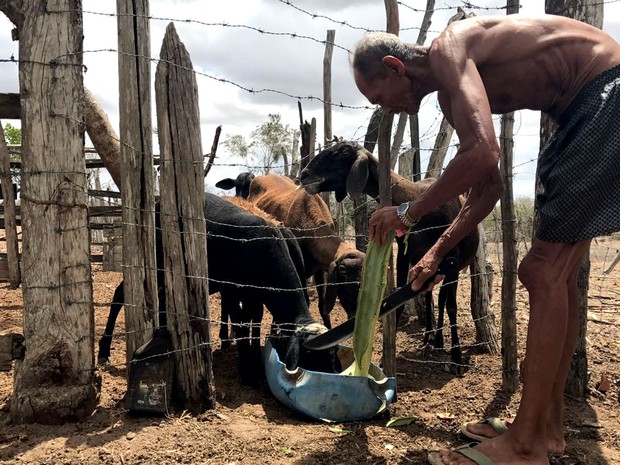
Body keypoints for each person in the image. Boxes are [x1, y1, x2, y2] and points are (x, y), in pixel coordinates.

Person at [353, 14, 620, 465]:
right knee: (558, 274)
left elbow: (483, 152)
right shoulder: (450, 97)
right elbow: (489, 186)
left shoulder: (450, 47)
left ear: (397, 68)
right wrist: (436, 251)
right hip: (582, 110)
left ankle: (525, 444)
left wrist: (407, 211)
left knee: (541, 270)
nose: (387, 109)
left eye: (380, 97)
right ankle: (545, 429)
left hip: (604, 95)